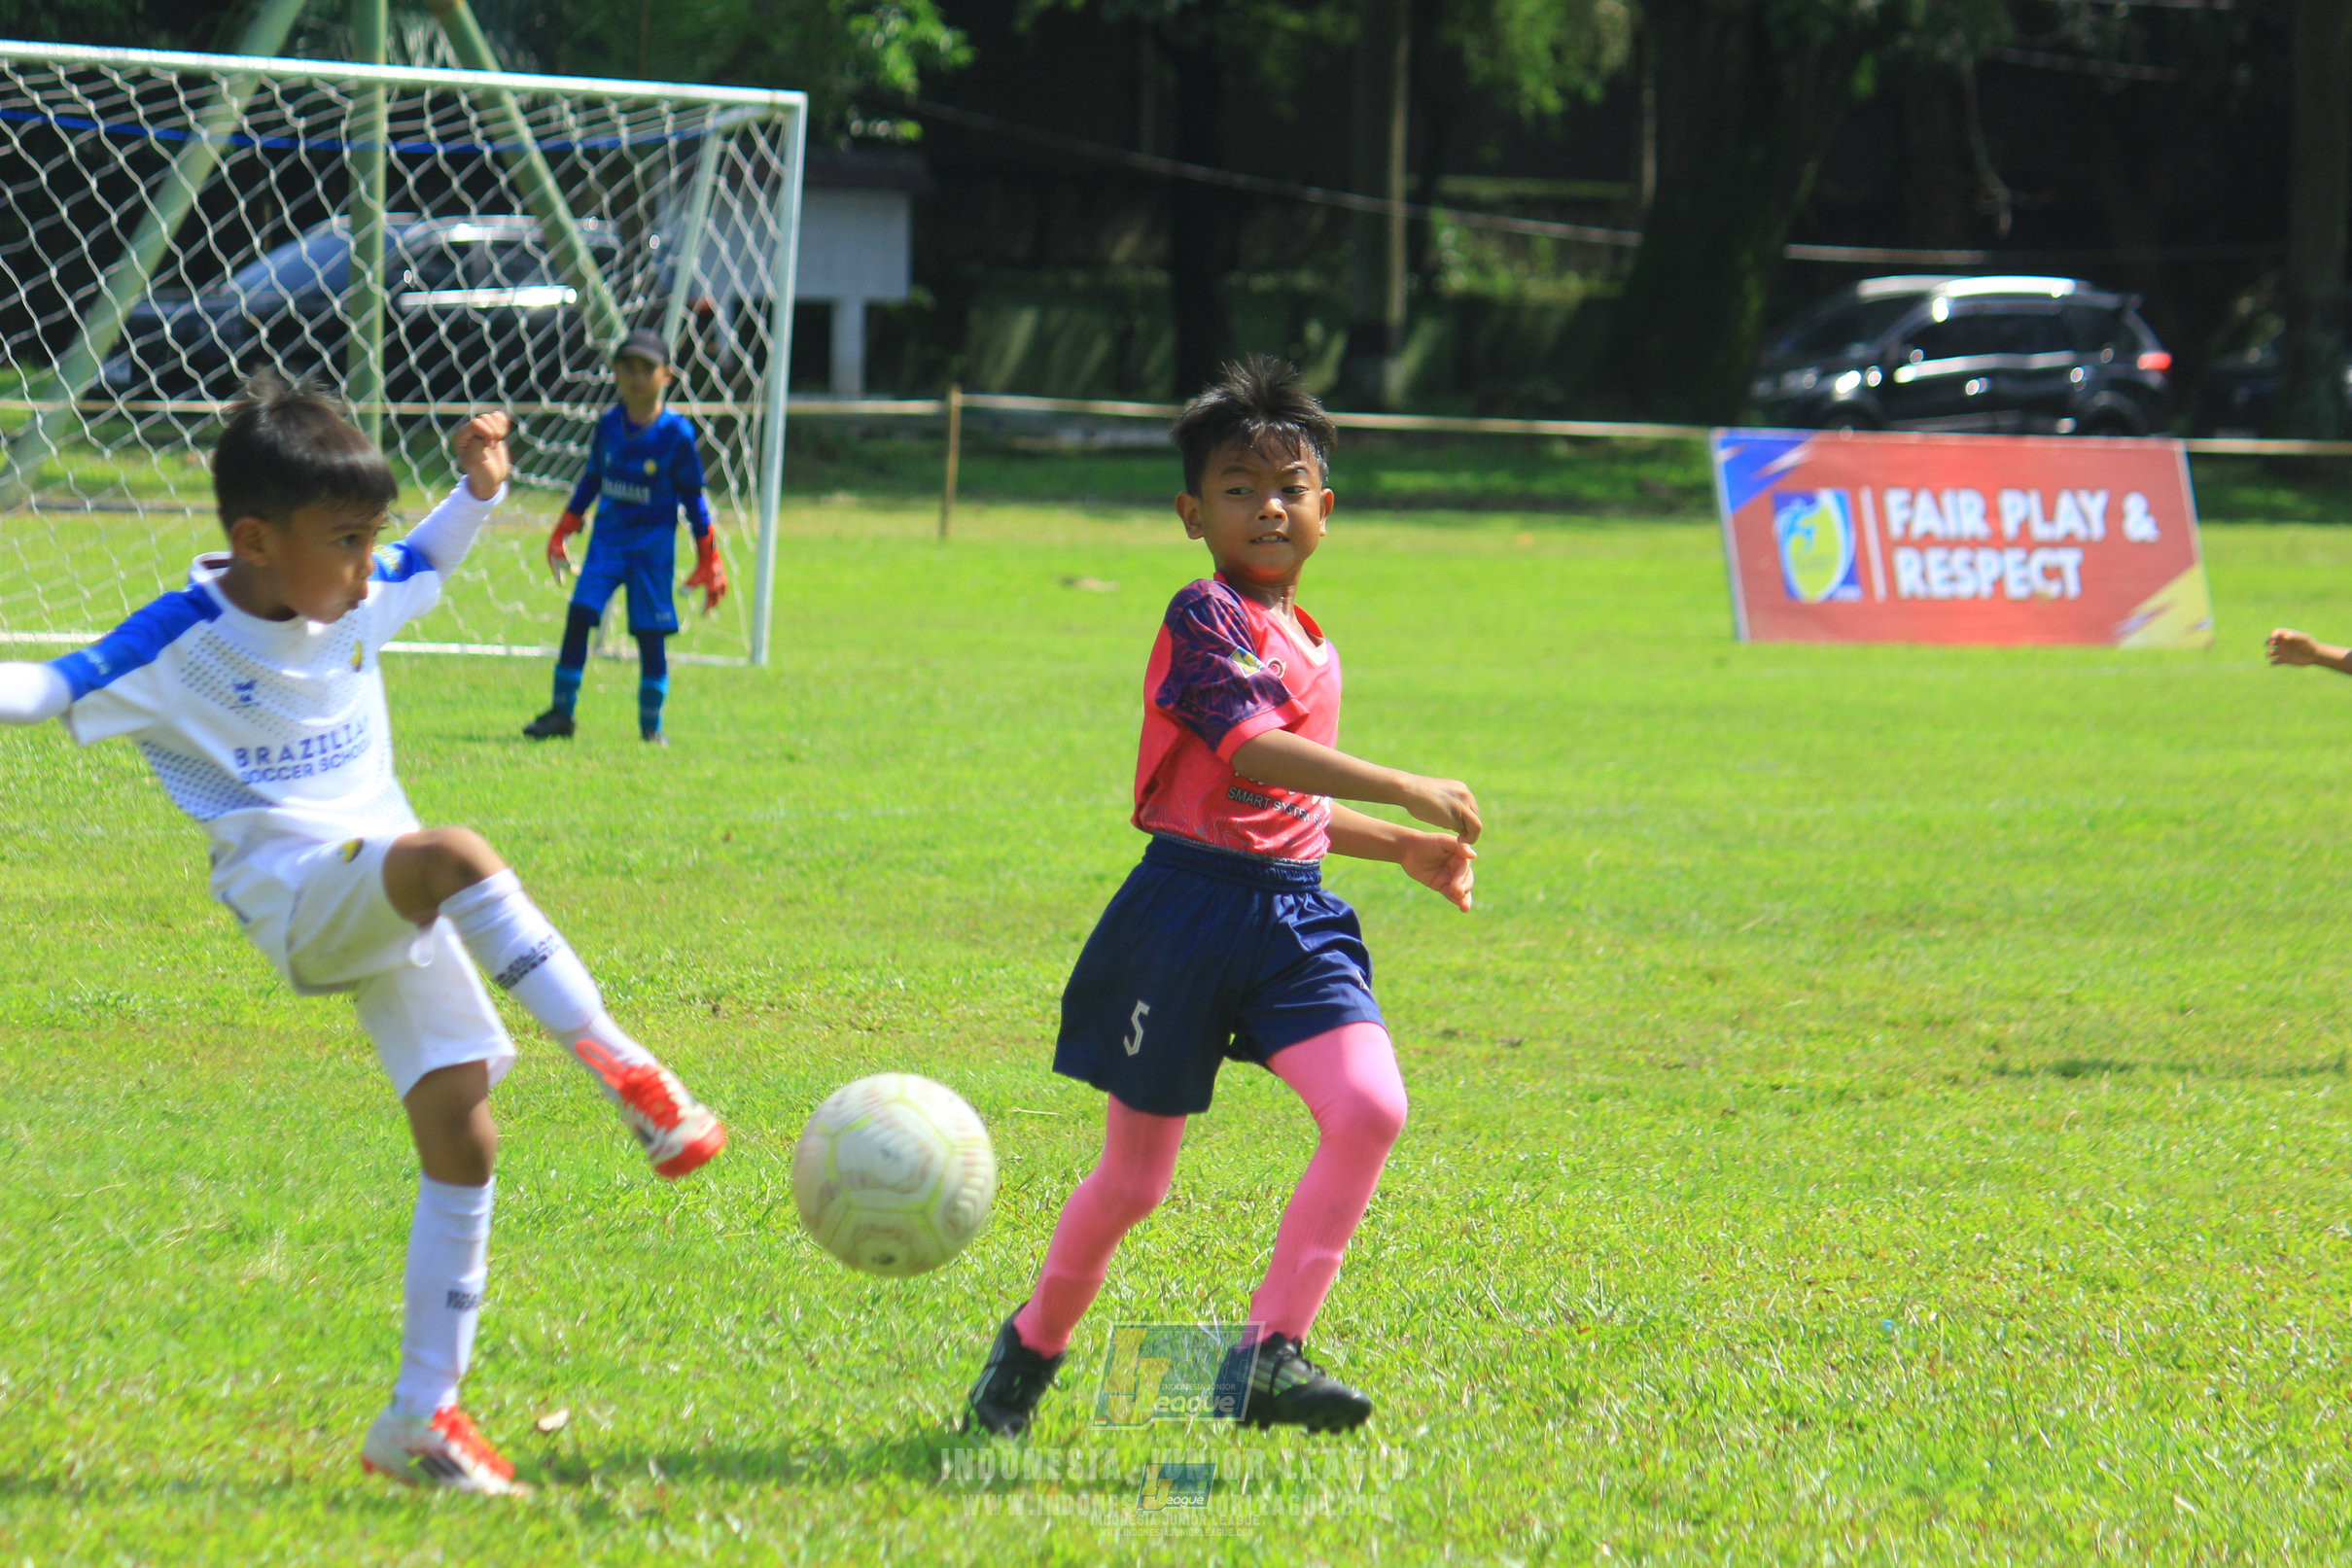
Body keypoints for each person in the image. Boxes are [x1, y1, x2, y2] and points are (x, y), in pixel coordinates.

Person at [0, 377, 726, 1493]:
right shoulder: (180, 640)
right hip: (302, 900)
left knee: (464, 1132)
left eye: (367, 534)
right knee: (456, 852)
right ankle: (630, 1071)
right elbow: (49, 688)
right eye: (345, 540)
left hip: (383, 892)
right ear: (256, 539)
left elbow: (423, 562)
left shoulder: (349, 592)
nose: (364, 563)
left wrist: (479, 492)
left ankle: (421, 1415)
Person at [961, 357, 1481, 1439]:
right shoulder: (1202, 614)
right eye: (1238, 490)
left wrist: (1398, 847)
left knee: (1371, 1106)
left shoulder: (1315, 641)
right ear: (1192, 514)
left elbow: (1288, 802)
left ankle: (1267, 1352)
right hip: (1185, 914)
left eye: (1289, 488)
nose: (1268, 508)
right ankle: (1032, 1346)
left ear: (1327, 509)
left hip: (1293, 916)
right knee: (1135, 1181)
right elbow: (1248, 752)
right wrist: (1401, 786)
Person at [524, 327, 726, 746]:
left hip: (652, 553)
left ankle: (652, 728)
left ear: (667, 375)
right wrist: (564, 528)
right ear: (615, 372)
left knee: (651, 635)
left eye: (646, 368)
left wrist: (709, 555)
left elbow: (693, 498)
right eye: (628, 367)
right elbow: (592, 480)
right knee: (580, 615)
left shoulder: (676, 434)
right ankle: (561, 713)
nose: (636, 376)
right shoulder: (608, 426)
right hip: (608, 545)